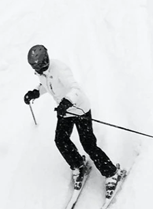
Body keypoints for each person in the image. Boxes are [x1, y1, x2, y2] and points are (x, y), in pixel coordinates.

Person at [23, 45, 122, 194]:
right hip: (65, 111)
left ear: (44, 61)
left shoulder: (60, 69)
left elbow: (76, 89)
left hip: (79, 109)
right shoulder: (42, 73)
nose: (35, 69)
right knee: (60, 140)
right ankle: (78, 165)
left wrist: (67, 102)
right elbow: (46, 85)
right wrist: (35, 93)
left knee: (88, 145)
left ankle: (112, 173)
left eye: (37, 66)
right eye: (33, 66)